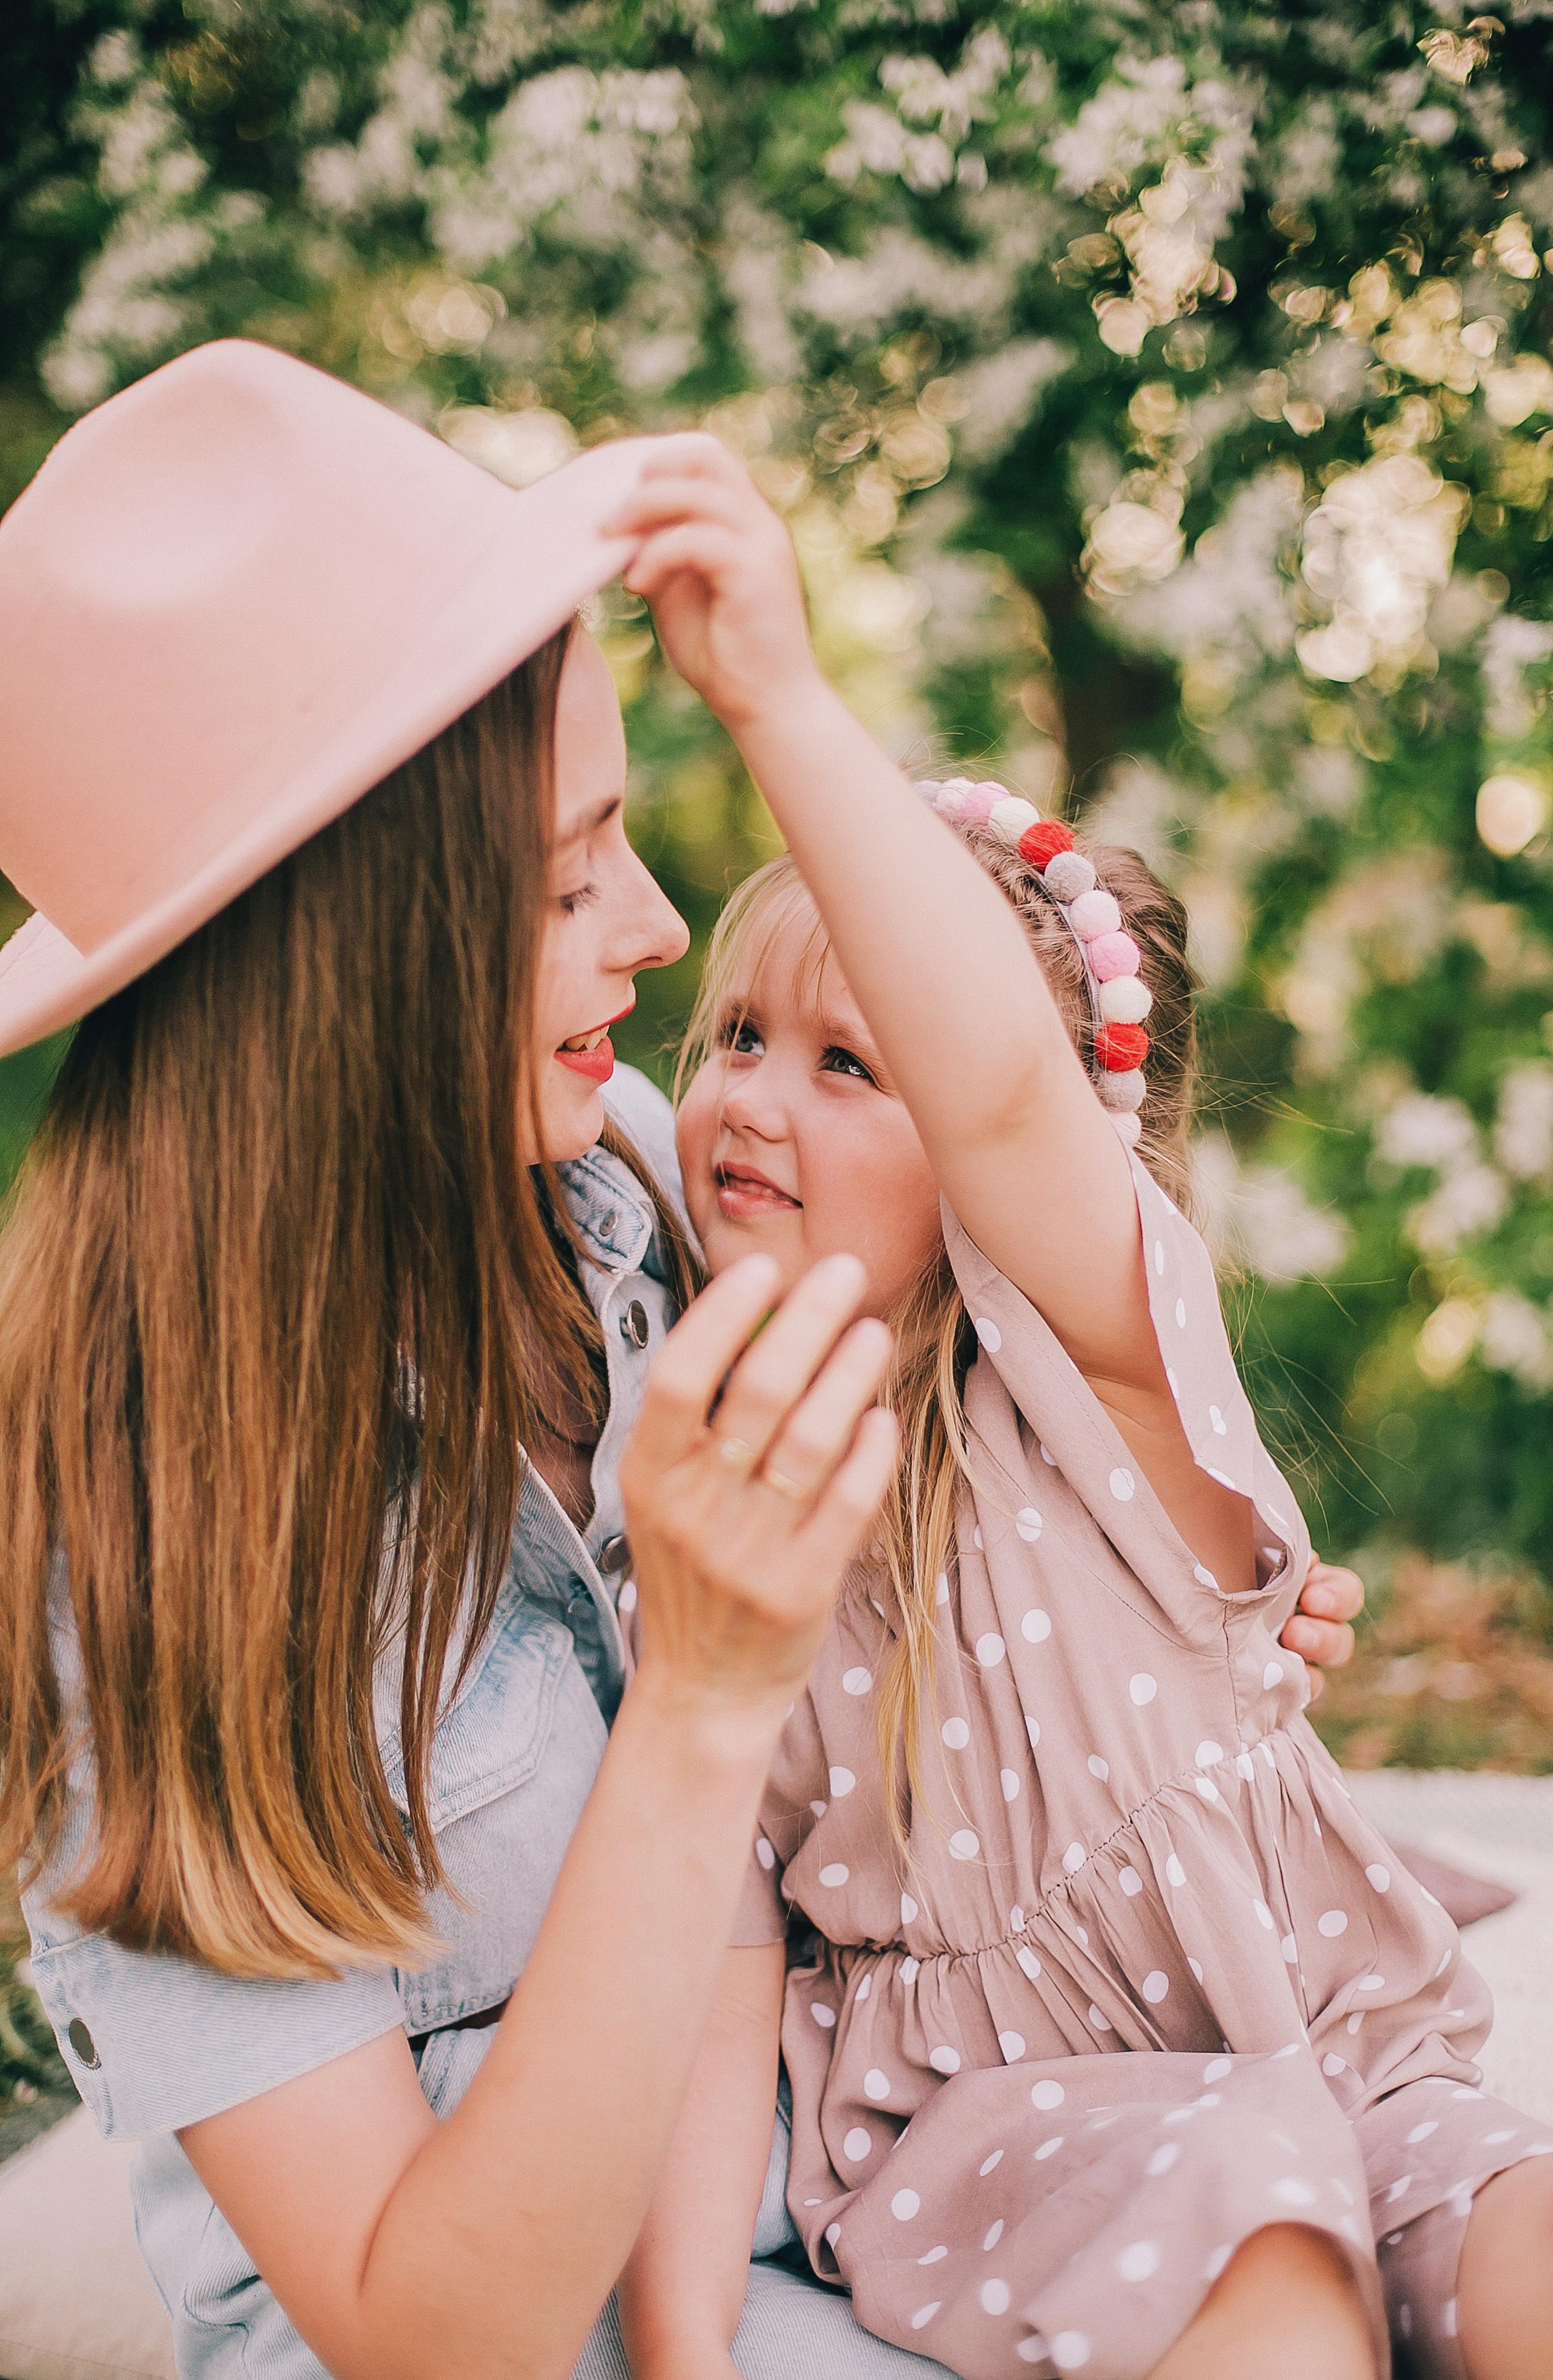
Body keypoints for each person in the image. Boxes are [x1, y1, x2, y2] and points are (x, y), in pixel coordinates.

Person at [0, 341, 1360, 2380]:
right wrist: (704, 1698)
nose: (652, 930)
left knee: (1312, 2240)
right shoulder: (130, 1534)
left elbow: (1002, 1191)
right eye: (567, 879)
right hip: (510, 2330)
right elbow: (435, 2332)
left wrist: (1150, 1594)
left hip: (809, 2201)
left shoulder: (632, 1188)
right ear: (350, 964)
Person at [602, 438, 1553, 2380]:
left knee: (1550, 2228)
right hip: (1001, 2133)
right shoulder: (701, 1509)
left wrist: (778, 695)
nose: (750, 1099)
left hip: (1335, 2060)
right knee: (1260, 2226)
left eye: (848, 1062)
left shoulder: (1102, 1382)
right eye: (738, 1037)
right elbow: (715, 1954)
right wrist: (683, 2341)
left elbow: (997, 1096)